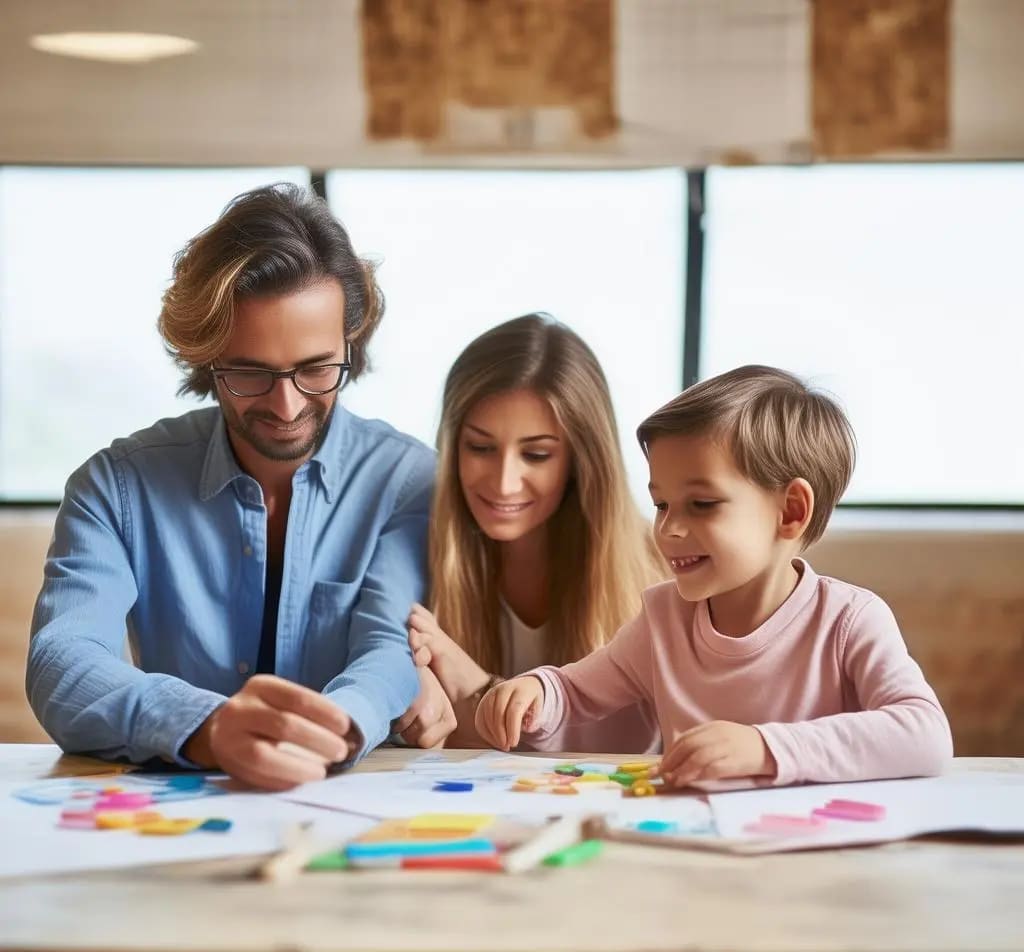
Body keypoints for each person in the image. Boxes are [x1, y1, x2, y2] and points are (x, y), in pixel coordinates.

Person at [26, 183, 449, 791]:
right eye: (250, 371)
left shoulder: (407, 480)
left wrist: (331, 731)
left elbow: (387, 648)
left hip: (346, 806)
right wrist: (209, 727)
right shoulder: (115, 487)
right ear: (206, 356)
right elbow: (62, 664)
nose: (286, 405)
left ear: (350, 343)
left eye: (316, 368)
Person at [476, 365, 954, 785]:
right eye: (662, 504)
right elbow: (577, 691)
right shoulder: (663, 618)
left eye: (701, 505)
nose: (669, 528)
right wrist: (537, 692)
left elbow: (924, 734)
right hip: (694, 850)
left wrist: (765, 749)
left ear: (791, 511)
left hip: (815, 855)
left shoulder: (849, 620)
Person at [395, 313, 665, 752]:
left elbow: (636, 749)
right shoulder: (413, 553)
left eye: (536, 454)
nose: (504, 482)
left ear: (580, 459)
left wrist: (480, 689)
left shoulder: (662, 568)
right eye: (480, 447)